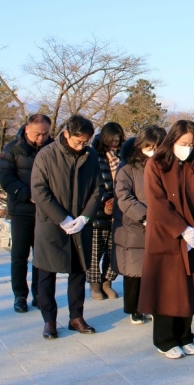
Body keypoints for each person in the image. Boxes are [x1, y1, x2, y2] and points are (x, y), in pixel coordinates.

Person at [137, 120, 194, 359]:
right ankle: (164, 340)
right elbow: (157, 203)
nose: (188, 148)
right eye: (184, 143)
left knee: (188, 288)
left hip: (192, 236)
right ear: (172, 140)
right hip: (166, 235)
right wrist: (181, 228)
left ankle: (184, 336)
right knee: (167, 289)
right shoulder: (155, 164)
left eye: (192, 144)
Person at [31, 115, 103, 340]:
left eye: (85, 142)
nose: (81, 146)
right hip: (51, 224)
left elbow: (98, 189)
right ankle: (49, 320)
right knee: (46, 273)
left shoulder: (91, 156)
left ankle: (76, 317)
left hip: (80, 223)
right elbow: (39, 190)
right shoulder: (46, 155)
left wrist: (85, 217)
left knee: (78, 271)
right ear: (66, 134)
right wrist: (61, 218)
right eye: (78, 141)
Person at [0, 114, 53, 313]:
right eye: (38, 134)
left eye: (45, 134)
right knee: (20, 255)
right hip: (21, 209)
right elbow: (6, 178)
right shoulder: (12, 149)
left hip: (46, 209)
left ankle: (40, 294)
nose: (41, 138)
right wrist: (27, 194)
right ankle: (20, 295)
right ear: (27, 129)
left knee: (42, 255)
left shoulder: (52, 148)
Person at [113, 125, 166, 325]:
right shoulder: (127, 168)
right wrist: (144, 216)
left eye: (157, 148)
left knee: (155, 272)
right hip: (134, 226)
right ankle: (134, 308)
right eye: (149, 148)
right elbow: (124, 196)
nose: (153, 152)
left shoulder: (165, 167)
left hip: (159, 225)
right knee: (135, 272)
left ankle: (151, 305)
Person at [88, 122, 126, 300]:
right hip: (98, 209)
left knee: (114, 250)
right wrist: (105, 201)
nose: (115, 145)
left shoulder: (123, 156)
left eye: (117, 141)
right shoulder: (93, 156)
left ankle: (107, 282)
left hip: (119, 209)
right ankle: (95, 285)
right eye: (112, 141)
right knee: (95, 251)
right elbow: (92, 184)